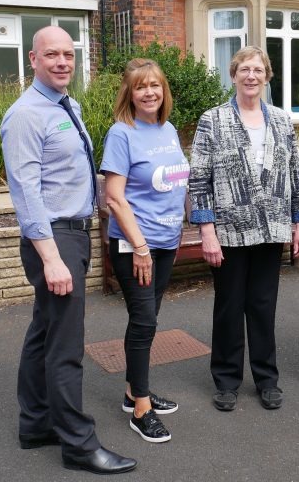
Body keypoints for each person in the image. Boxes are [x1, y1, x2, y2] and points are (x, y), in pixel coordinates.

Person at [0, 25, 137, 474]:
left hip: (73, 232)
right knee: (66, 345)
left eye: (68, 54)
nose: (62, 62)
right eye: (52, 55)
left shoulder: (67, 105)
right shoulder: (25, 115)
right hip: (54, 238)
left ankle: (35, 422)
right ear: (32, 61)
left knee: (44, 330)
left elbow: (73, 175)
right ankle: (79, 444)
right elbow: (27, 193)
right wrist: (52, 257)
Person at [189, 45, 299, 412]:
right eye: (244, 69)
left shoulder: (281, 120)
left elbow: (295, 174)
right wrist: (207, 231)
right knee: (229, 306)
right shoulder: (212, 120)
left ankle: (266, 379)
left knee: (263, 306)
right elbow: (199, 180)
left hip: (271, 227)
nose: (251, 76)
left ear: (266, 76)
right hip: (228, 231)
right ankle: (227, 380)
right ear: (233, 75)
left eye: (258, 69)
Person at [100, 58, 188, 443]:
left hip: (166, 242)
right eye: (141, 86)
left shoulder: (167, 128)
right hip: (135, 244)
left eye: (155, 85)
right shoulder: (122, 133)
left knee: (148, 318)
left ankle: (132, 389)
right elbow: (114, 198)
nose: (149, 92)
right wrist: (139, 247)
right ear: (129, 94)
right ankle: (141, 408)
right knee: (144, 321)